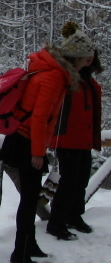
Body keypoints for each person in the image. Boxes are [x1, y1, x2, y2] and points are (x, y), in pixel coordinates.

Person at [0, 37, 78, 263]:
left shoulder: (45, 71)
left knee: (30, 197)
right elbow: (40, 117)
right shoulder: (53, 77)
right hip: (26, 142)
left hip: (22, 139)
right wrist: (38, 152)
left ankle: (28, 245)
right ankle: (21, 253)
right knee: (29, 199)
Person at [47, 22, 102, 240]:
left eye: (91, 54)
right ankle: (57, 221)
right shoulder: (65, 76)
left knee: (81, 180)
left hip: (83, 138)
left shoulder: (87, 79)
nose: (89, 58)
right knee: (69, 180)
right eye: (85, 55)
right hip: (67, 137)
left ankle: (74, 216)